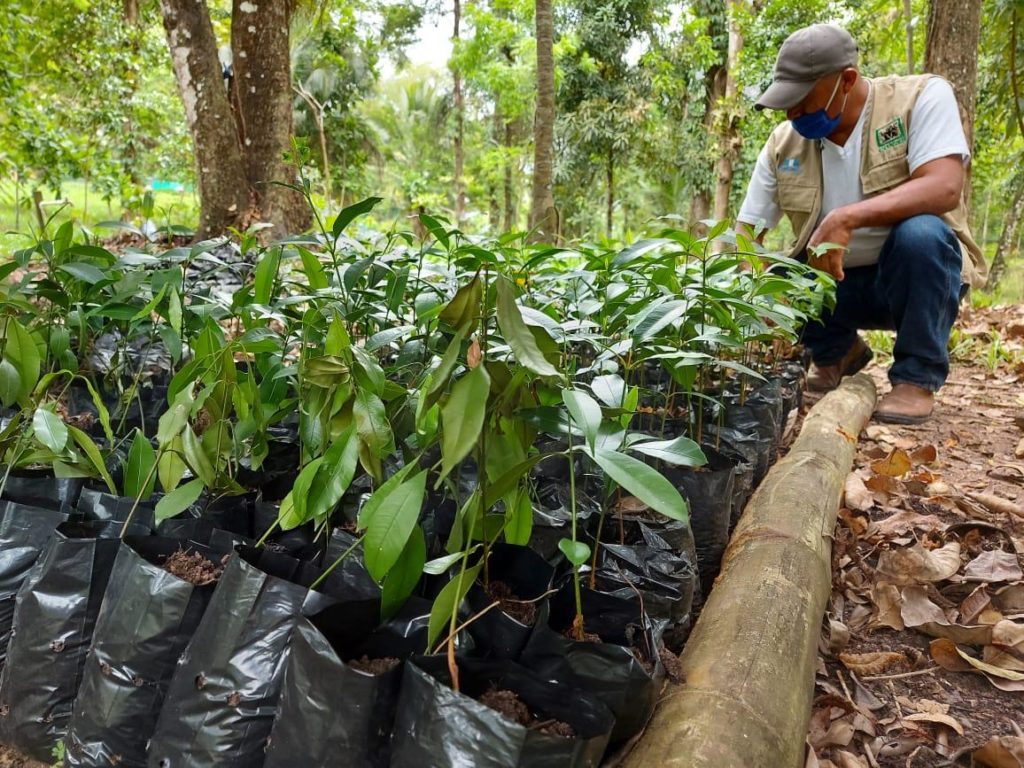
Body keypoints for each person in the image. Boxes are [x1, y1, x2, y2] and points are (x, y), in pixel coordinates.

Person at [737, 23, 987, 424]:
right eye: (786, 100)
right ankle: (836, 353)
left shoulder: (919, 98)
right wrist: (752, 296)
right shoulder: (783, 144)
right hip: (837, 285)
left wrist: (846, 217)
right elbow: (747, 233)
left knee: (922, 234)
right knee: (779, 274)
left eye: (802, 98)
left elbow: (944, 187)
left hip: (913, 278)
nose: (792, 111)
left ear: (847, 80)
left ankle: (915, 379)